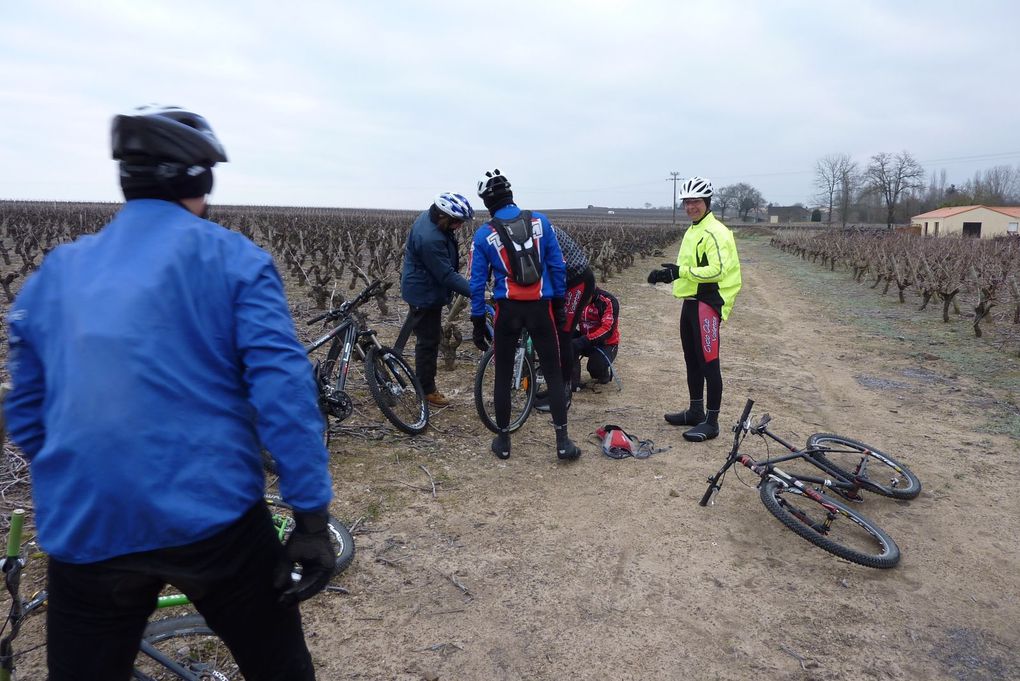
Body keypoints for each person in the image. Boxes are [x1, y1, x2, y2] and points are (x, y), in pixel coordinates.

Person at [4, 105, 334, 680]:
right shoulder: (233, 259)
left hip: (87, 525)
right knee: (280, 667)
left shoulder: (57, 270)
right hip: (214, 520)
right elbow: (284, 394)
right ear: (200, 180)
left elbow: (26, 411)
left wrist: (86, 472)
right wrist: (309, 520)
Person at [468, 169, 580, 461]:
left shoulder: (484, 234)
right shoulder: (540, 222)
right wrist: (558, 304)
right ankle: (562, 443)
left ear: (488, 201)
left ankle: (503, 442)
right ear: (510, 194)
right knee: (554, 374)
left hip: (508, 311)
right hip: (541, 308)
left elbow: (477, 282)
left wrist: (477, 321)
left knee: (503, 375)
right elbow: (557, 266)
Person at [647, 176, 742, 442]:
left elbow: (717, 270)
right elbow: (690, 268)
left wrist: (681, 271)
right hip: (691, 301)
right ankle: (696, 410)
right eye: (687, 202)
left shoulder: (715, 231)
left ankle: (711, 422)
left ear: (707, 202)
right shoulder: (694, 229)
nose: (691, 207)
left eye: (696, 201)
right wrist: (668, 276)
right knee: (692, 359)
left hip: (709, 302)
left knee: (709, 363)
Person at [395, 192, 475, 407]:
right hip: (424, 293)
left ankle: (395, 360)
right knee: (428, 342)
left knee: (423, 334)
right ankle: (426, 390)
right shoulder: (430, 238)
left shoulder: (432, 220)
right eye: (457, 222)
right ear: (444, 216)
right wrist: (476, 292)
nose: (459, 226)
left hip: (424, 287)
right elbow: (446, 275)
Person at [533, 225, 596, 412]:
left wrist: (559, 304)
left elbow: (556, 266)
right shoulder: (525, 227)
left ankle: (563, 394)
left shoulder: (536, 230)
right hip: (560, 281)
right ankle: (555, 389)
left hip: (576, 280)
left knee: (563, 335)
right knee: (551, 335)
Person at [571, 287, 620, 387]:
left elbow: (607, 330)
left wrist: (584, 340)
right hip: (585, 336)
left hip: (606, 343)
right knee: (566, 339)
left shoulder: (608, 301)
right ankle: (573, 381)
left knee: (594, 368)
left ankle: (602, 373)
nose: (581, 302)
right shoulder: (574, 297)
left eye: (583, 298)